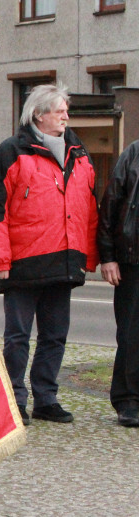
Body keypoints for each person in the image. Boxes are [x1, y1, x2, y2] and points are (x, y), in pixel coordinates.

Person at [0, 83, 98, 425]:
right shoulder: (11, 152)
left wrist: (87, 256)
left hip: (64, 260)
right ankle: (15, 397)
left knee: (55, 336)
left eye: (65, 110)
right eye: (59, 110)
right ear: (38, 114)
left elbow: (89, 207)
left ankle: (46, 398)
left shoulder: (79, 152)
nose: (66, 116)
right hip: (23, 263)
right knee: (17, 337)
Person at [97, 141, 139, 427]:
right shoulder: (134, 154)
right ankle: (128, 400)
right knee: (132, 333)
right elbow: (109, 204)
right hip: (133, 258)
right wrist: (108, 256)